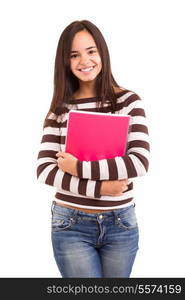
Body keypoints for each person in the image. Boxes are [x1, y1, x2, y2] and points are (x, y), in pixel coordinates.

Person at [36, 20, 150, 278]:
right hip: (70, 224)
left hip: (121, 223)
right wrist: (101, 188)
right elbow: (45, 171)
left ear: (102, 53)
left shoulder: (128, 102)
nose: (84, 61)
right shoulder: (60, 110)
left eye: (91, 51)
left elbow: (138, 162)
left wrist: (76, 167)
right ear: (64, 62)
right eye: (73, 55)